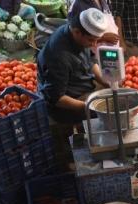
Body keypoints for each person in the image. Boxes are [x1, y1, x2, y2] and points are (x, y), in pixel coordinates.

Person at [37, 8, 109, 167]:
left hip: (81, 86)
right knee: (68, 157)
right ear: (77, 32)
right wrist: (89, 108)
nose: (94, 45)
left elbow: (90, 62)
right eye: (92, 41)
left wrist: (106, 81)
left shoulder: (77, 35)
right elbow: (57, 98)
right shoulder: (58, 56)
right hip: (64, 105)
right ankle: (69, 164)